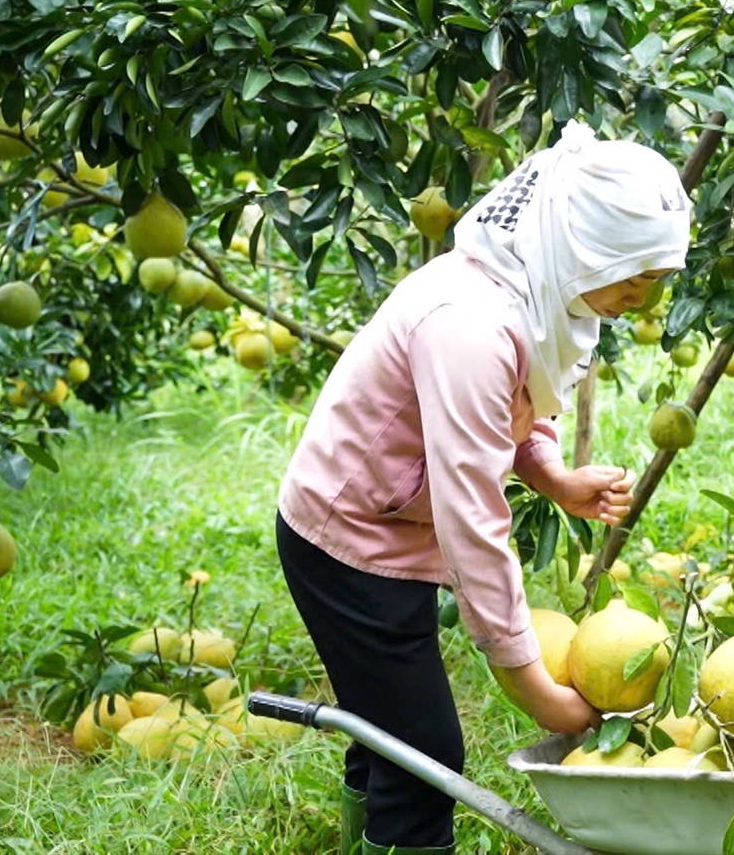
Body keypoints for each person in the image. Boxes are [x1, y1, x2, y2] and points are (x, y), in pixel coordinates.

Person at [275, 120, 691, 855]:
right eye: (636, 274)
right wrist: (531, 683)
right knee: (425, 755)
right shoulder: (467, 322)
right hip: (348, 539)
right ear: (584, 247)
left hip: (396, 521)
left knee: (388, 732)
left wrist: (551, 474)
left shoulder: (534, 285)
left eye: (655, 279)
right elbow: (471, 515)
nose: (643, 296)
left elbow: (517, 401)